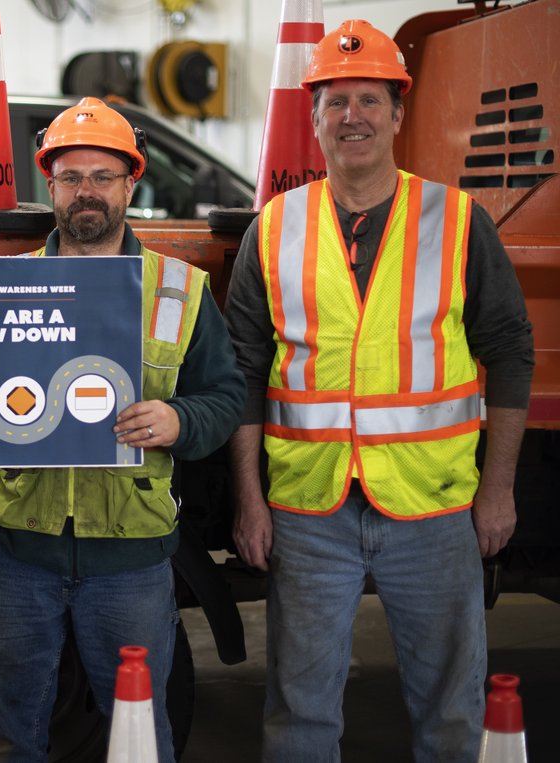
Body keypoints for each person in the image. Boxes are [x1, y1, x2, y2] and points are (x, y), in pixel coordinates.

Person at [224, 20, 535, 762]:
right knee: (299, 717)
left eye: (370, 99)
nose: (352, 116)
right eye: (335, 101)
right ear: (315, 118)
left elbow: (510, 351)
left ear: (399, 113)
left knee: (453, 716)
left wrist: (498, 490)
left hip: (432, 508)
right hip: (309, 510)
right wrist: (249, 498)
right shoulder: (272, 231)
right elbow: (244, 372)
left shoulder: (458, 222)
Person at [0, 97, 246, 762]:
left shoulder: (178, 290)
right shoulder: (5, 288)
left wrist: (179, 419)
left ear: (131, 184)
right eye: (72, 176)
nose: (88, 192)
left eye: (103, 176)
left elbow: (228, 397)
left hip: (133, 562)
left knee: (140, 738)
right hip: (18, 555)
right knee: (5, 737)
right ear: (49, 186)